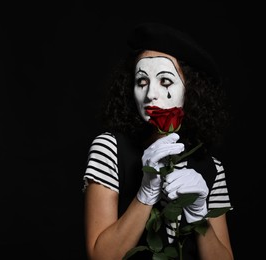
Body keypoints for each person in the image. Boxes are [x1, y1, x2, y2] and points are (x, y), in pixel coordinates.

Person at [82, 22, 234, 260]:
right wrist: (145, 194)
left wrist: (199, 214)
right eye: (142, 81)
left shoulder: (212, 168)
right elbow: (101, 257)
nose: (150, 93)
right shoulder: (109, 148)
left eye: (165, 81)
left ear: (192, 90)